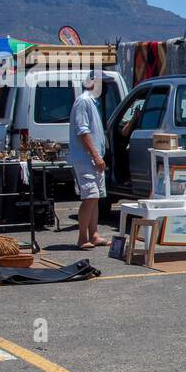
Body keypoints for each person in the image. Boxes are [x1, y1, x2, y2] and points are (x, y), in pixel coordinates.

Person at [70, 75, 109, 249]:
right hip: (86, 159)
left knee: (96, 197)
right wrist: (96, 155)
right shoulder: (83, 101)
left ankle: (93, 234)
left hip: (94, 158)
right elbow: (82, 131)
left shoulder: (92, 102)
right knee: (90, 196)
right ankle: (82, 237)